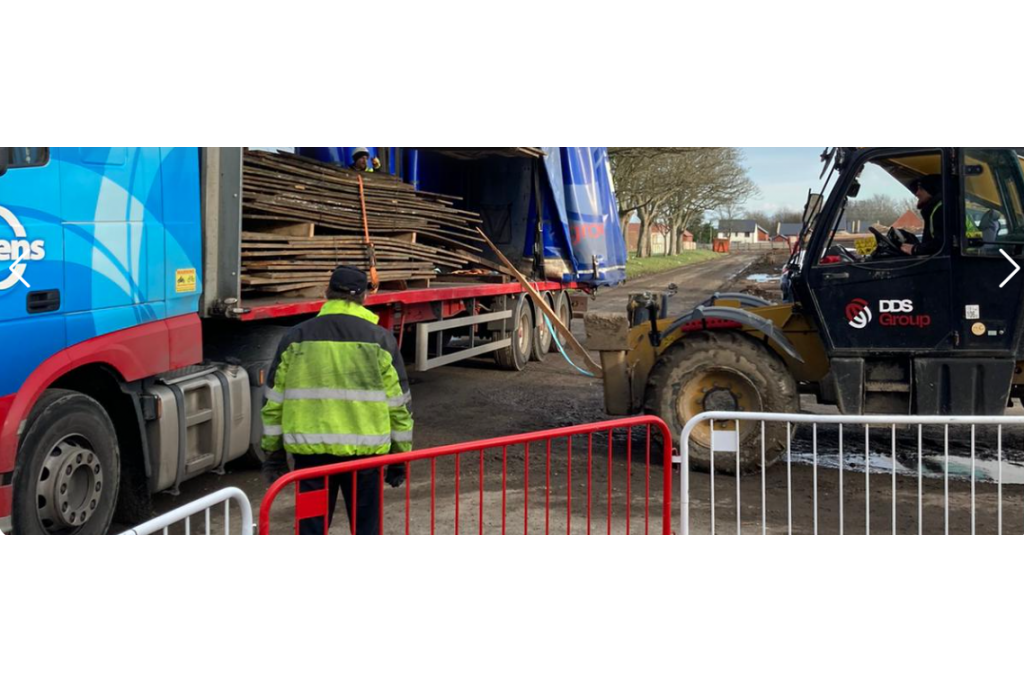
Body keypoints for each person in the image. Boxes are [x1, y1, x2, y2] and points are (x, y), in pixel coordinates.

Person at [260, 265, 413, 534]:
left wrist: (274, 454)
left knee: (311, 532)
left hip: (311, 462)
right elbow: (398, 406)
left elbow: (274, 403)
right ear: (364, 297)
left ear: (326, 293)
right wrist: (399, 458)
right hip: (365, 462)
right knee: (366, 532)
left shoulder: (295, 337)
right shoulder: (379, 339)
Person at [901, 174, 944, 256]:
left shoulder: (942, 211)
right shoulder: (936, 210)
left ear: (931, 191)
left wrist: (915, 249)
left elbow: (942, 244)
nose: (917, 193)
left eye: (921, 189)